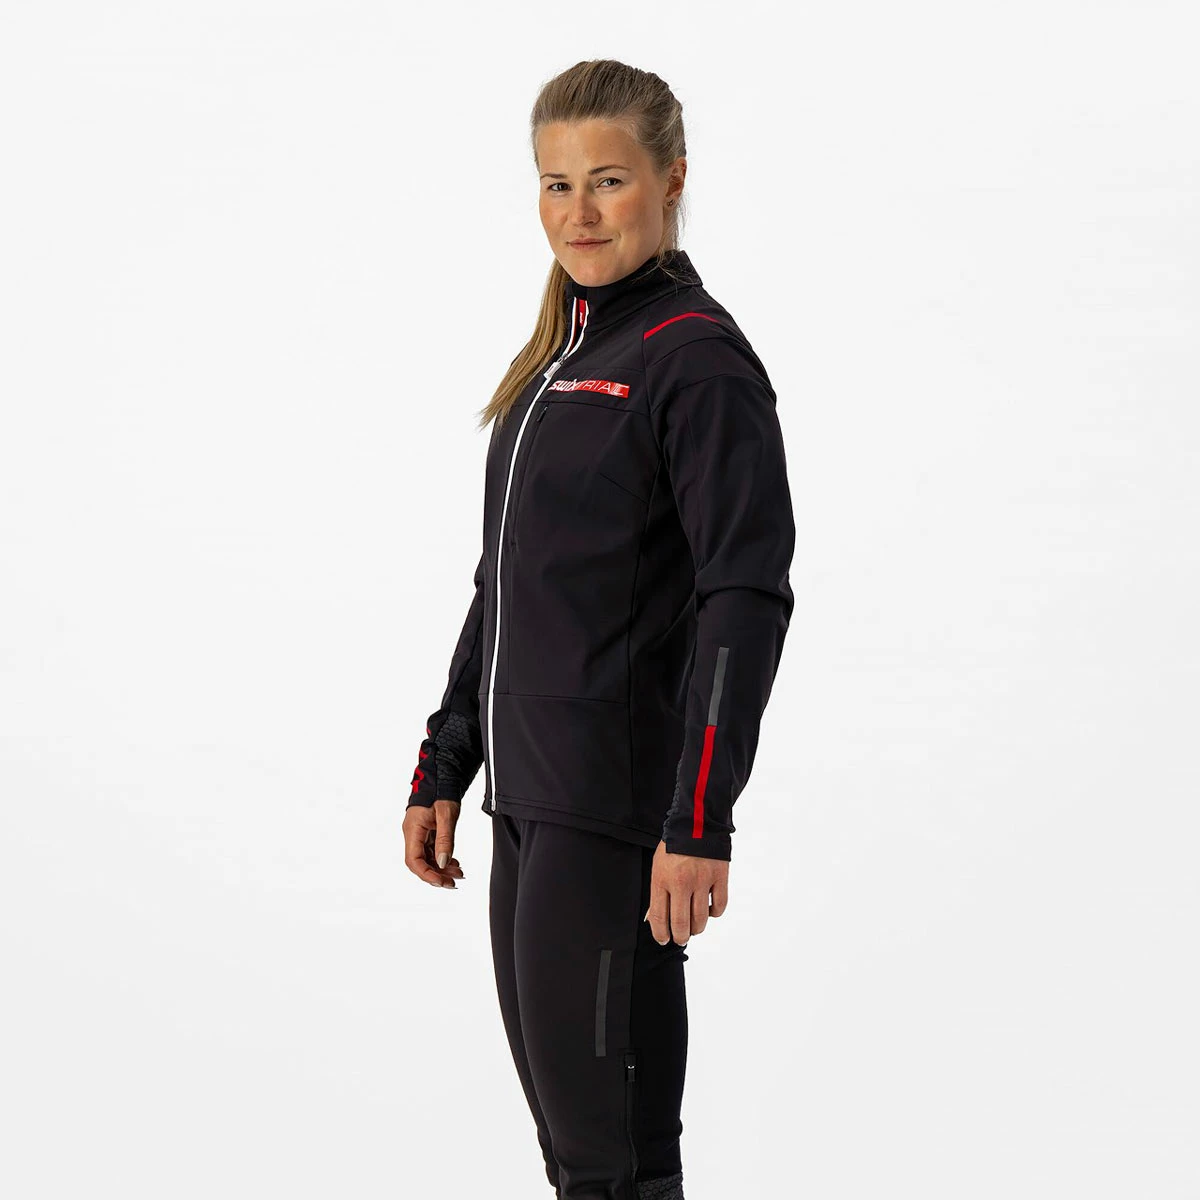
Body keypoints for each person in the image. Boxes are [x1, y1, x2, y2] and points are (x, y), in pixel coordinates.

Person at [402, 58, 795, 1200]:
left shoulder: (696, 360)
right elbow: (506, 585)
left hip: (615, 815)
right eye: (556, 184)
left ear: (671, 180)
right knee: (578, 1158)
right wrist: (445, 762)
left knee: (612, 1164)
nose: (578, 212)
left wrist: (700, 816)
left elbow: (744, 596)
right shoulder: (557, 363)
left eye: (608, 180)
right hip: (529, 807)